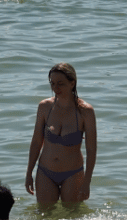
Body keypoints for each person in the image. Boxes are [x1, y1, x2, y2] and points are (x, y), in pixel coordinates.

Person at [26, 63, 98, 204]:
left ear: (72, 83)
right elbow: (36, 142)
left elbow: (91, 150)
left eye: (60, 84)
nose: (55, 88)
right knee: (44, 214)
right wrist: (29, 173)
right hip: (45, 172)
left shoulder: (85, 111)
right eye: (52, 83)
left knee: (72, 214)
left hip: (73, 173)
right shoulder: (45, 107)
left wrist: (87, 182)